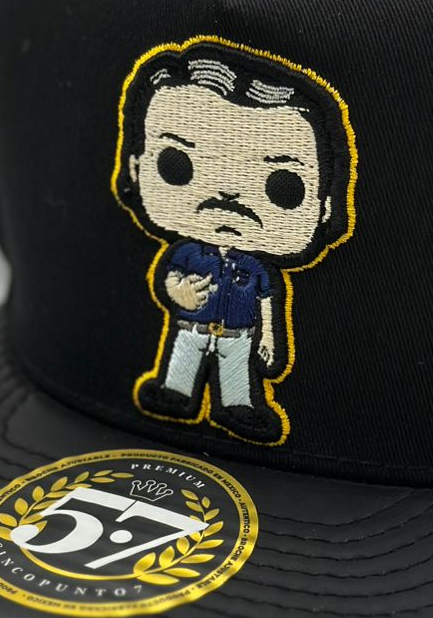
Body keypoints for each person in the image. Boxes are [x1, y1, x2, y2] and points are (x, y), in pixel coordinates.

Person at [113, 38, 355, 443]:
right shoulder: (190, 252)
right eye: (177, 165)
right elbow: (172, 279)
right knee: (183, 361)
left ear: (325, 209)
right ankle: (175, 393)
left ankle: (238, 408)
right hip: (192, 326)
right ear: (135, 171)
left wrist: (269, 338)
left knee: (236, 374)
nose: (227, 196)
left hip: (239, 336)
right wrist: (179, 291)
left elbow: (266, 302)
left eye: (282, 186)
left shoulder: (253, 268)